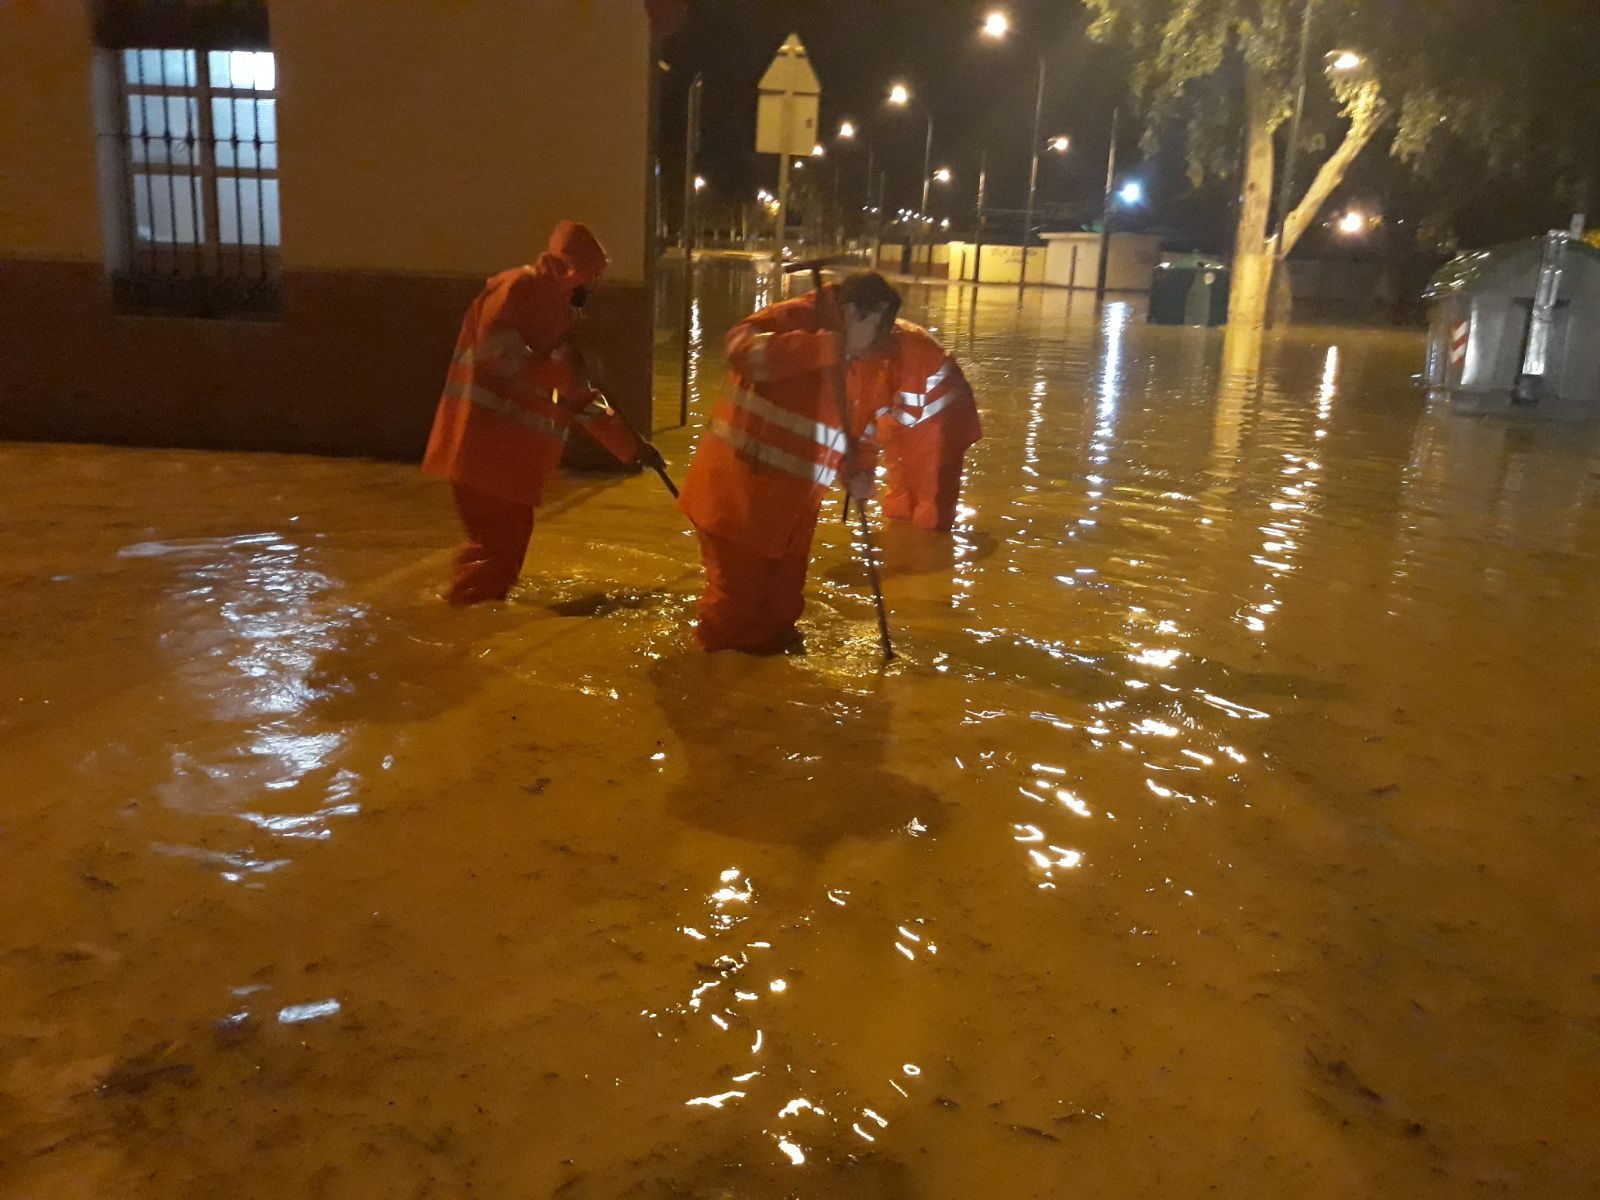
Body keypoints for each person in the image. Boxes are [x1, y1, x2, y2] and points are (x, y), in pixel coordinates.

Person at [677, 271, 980, 654]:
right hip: (738, 499)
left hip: (794, 507)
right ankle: (709, 682)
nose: (883, 338)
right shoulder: (796, 318)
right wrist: (820, 348)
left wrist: (860, 471)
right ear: (853, 312)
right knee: (735, 606)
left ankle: (768, 697)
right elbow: (740, 350)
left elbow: (859, 428)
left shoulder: (864, 356)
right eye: (878, 325)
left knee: (783, 608)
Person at [422, 221, 665, 605]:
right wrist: (563, 365)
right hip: (484, 453)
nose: (593, 287)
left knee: (502, 556)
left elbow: (578, 397)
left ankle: (470, 628)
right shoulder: (517, 289)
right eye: (591, 277)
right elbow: (496, 356)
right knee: (495, 557)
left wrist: (632, 447)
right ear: (571, 271)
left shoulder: (560, 314)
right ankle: (459, 633)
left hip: (509, 465)